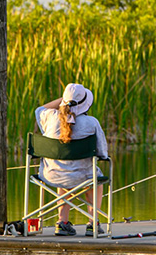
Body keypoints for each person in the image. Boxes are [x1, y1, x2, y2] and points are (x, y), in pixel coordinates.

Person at [35, 83, 108, 236]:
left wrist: (65, 99)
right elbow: (102, 153)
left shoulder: (49, 117)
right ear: (85, 104)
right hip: (82, 176)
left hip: (51, 175)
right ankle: (93, 223)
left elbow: (39, 109)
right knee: (95, 179)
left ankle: (62, 222)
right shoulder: (92, 123)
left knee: (65, 173)